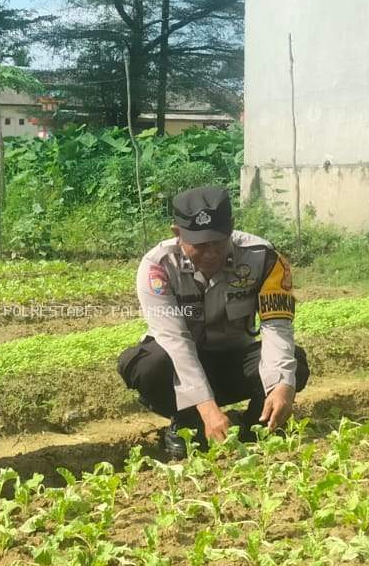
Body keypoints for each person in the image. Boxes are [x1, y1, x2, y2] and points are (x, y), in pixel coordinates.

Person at [117, 185, 310, 458]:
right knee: (150, 365)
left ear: (230, 228)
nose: (211, 253)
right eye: (199, 245)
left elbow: (277, 325)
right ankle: (187, 423)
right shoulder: (157, 267)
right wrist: (207, 409)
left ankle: (257, 425)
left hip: (233, 361)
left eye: (218, 242)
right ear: (177, 233)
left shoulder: (264, 259)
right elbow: (176, 343)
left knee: (294, 363)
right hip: (179, 370)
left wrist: (283, 386)